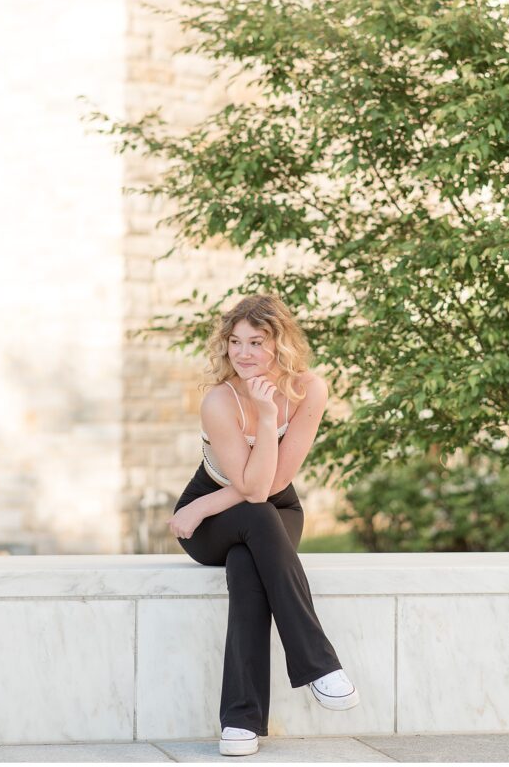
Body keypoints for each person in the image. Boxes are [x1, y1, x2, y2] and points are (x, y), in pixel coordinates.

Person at [167, 293, 360, 757]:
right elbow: (251, 489)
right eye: (235, 341)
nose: (243, 353)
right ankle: (318, 665)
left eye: (256, 341)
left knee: (250, 564)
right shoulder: (220, 399)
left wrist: (271, 413)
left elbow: (272, 483)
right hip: (215, 520)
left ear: (281, 344)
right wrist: (204, 508)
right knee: (254, 515)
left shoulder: (310, 388)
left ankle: (240, 722)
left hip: (272, 506)